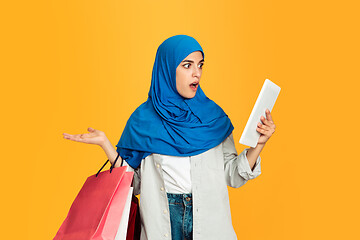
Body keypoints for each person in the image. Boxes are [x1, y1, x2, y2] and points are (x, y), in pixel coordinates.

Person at [63, 35, 276, 240]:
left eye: (200, 65)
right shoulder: (142, 122)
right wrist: (106, 145)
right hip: (162, 225)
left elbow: (232, 176)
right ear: (166, 68)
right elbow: (134, 185)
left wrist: (259, 145)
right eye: (187, 65)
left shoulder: (213, 118)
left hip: (211, 225)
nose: (197, 73)